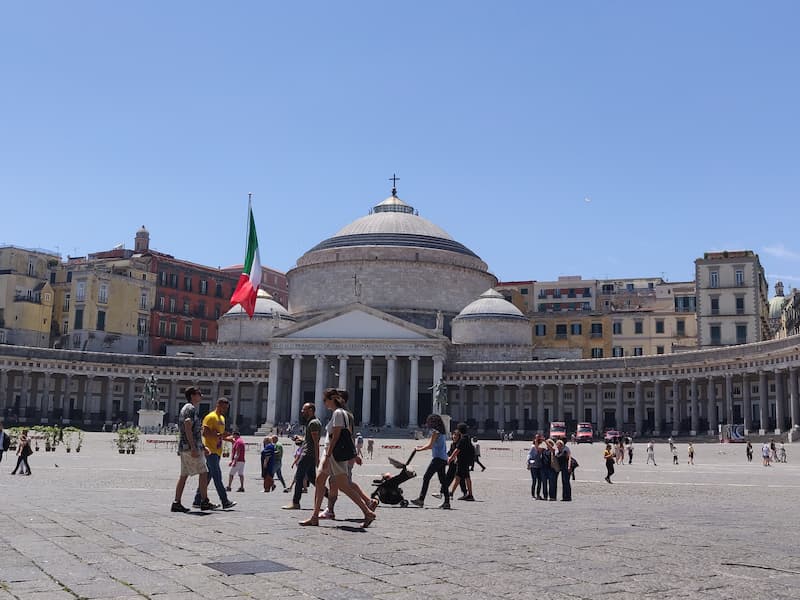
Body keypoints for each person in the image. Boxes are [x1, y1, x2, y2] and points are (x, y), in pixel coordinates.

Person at [300, 389, 376, 527]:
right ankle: (314, 516)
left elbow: (336, 436)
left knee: (344, 486)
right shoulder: (341, 413)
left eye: (325, 400)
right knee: (319, 481)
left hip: (333, 454)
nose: (324, 403)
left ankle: (368, 512)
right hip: (330, 452)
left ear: (332, 399)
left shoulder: (338, 413)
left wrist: (328, 455)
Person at [171, 387, 213, 512]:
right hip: (190, 448)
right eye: (199, 394)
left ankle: (176, 502)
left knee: (184, 475)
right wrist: (194, 447)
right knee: (204, 472)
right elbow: (188, 425)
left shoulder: (186, 408)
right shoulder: (190, 408)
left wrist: (202, 446)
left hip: (185, 447)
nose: (201, 396)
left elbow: (192, 429)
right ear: (193, 395)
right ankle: (204, 501)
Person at [192, 397, 236, 510]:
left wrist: (228, 438)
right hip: (210, 451)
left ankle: (197, 500)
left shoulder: (222, 418)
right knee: (217, 476)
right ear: (218, 405)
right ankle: (225, 501)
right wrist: (217, 436)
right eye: (223, 407)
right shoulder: (210, 417)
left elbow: (220, 435)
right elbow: (205, 433)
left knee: (207, 477)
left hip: (217, 451)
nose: (225, 410)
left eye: (227, 408)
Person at [282, 403, 321, 510]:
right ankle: (329, 495)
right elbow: (311, 441)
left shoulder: (313, 423)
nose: (302, 411)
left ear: (311, 410)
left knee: (299, 478)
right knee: (313, 479)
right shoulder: (312, 423)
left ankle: (296, 502)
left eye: (304, 409)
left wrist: (317, 459)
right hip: (309, 453)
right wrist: (302, 440)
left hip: (308, 454)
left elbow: (316, 442)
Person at [410, 414, 451, 509]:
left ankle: (421, 499)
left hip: (437, 459)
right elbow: (429, 444)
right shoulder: (441, 433)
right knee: (443, 481)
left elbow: (430, 446)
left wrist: (419, 449)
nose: (428, 423)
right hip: (443, 458)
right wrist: (420, 447)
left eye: (429, 422)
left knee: (426, 477)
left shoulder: (435, 433)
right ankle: (447, 502)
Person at [449, 423, 475, 501]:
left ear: (459, 430)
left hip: (462, 461)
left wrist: (450, 458)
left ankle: (451, 493)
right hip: (466, 461)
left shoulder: (462, 439)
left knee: (458, 477)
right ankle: (470, 495)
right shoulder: (467, 438)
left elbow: (457, 450)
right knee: (466, 477)